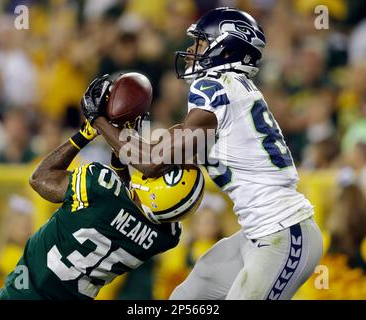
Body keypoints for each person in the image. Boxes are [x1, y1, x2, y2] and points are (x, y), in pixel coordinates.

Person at [82, 7, 323, 300]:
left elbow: (152, 164)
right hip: (258, 234)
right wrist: (124, 134)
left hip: (284, 232)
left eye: (200, 42)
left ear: (226, 47)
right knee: (185, 298)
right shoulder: (231, 91)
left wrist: (98, 121)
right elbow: (158, 150)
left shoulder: (213, 88)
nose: (191, 49)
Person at [0, 119, 204, 300]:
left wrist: (89, 129)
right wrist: (120, 152)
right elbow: (127, 204)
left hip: (25, 294)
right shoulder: (166, 237)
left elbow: (40, 178)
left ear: (157, 189)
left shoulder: (98, 187)